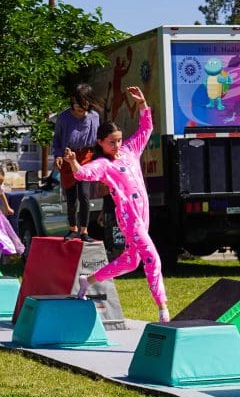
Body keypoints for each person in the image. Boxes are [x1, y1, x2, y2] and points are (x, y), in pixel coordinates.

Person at [63, 86, 170, 322]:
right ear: (100, 142)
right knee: (152, 258)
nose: (117, 145)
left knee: (132, 261)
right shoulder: (104, 165)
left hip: (144, 216)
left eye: (119, 140)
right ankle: (162, 307)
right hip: (129, 219)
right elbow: (83, 174)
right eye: (112, 142)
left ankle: (87, 281)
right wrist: (73, 163)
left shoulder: (130, 151)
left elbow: (146, 128)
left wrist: (142, 104)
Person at [52, 84, 100, 242]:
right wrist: (58, 155)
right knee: (71, 197)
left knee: (84, 195)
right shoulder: (64, 117)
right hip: (68, 155)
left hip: (86, 155)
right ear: (72, 101)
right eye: (77, 104)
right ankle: (73, 229)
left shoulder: (94, 116)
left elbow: (97, 140)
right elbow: (57, 139)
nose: (80, 108)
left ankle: (84, 231)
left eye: (84, 104)